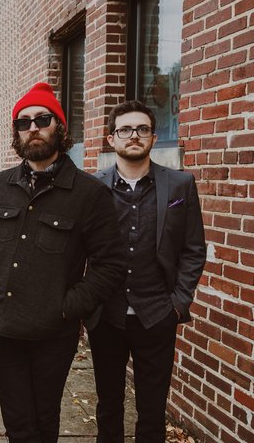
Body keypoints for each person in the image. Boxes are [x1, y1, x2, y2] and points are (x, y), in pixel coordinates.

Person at [0, 82, 126, 443]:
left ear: (60, 126)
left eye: (43, 119)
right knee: (17, 420)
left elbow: (111, 265)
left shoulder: (89, 194)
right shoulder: (1, 185)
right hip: (3, 327)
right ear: (17, 133)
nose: (33, 128)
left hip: (53, 333)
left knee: (44, 418)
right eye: (24, 123)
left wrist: (68, 306)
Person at [88, 100, 206, 443]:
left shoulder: (180, 185)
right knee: (108, 406)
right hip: (105, 316)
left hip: (157, 314)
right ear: (112, 139)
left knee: (152, 411)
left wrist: (178, 303)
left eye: (142, 129)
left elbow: (194, 249)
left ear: (154, 137)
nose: (134, 135)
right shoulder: (94, 189)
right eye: (125, 129)